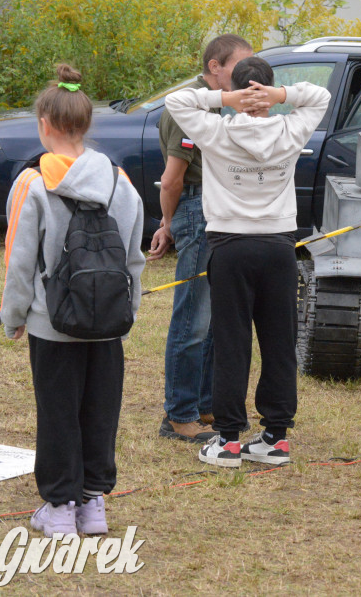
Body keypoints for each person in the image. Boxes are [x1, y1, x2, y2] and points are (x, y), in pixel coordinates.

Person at [165, 56, 331, 467]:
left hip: (231, 247)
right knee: (279, 343)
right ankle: (276, 437)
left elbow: (177, 101)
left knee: (231, 343)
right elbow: (320, 96)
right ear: (270, 92)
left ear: (237, 92)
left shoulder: (217, 131)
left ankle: (228, 440)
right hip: (278, 247)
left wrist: (226, 98)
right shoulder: (291, 128)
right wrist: (280, 97)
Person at [1, 65, 145, 536]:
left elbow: (20, 260)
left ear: (44, 123)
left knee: (58, 408)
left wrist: (13, 315)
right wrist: (130, 312)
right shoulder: (120, 182)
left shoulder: (33, 182)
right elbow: (132, 258)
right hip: (108, 321)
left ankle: (60, 508)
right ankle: (94, 504)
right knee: (101, 408)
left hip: (53, 322)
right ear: (86, 125)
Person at [148, 34, 253, 443]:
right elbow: (172, 179)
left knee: (212, 319)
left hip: (218, 210)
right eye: (238, 67)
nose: (245, 76)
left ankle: (205, 403)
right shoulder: (188, 105)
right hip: (196, 208)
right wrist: (169, 223)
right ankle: (178, 414)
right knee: (192, 318)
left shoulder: (221, 103)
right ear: (214, 66)